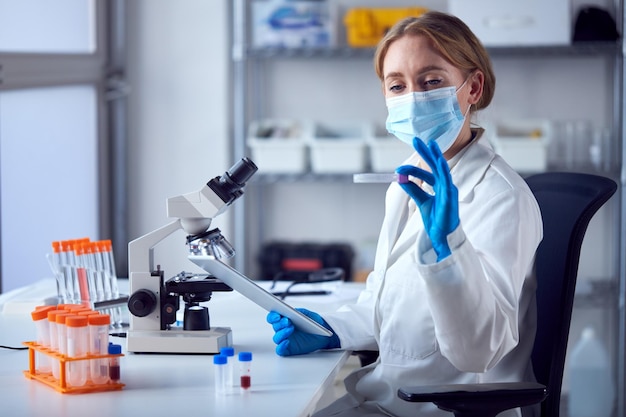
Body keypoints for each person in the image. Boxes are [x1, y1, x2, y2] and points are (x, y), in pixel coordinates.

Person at [266, 10, 543, 417]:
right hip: (388, 399)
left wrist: (448, 252)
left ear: (473, 88)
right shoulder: (409, 183)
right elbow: (385, 301)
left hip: (442, 410)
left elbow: (479, 351)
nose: (412, 98)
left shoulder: (502, 197)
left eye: (431, 81)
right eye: (397, 85)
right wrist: (328, 330)